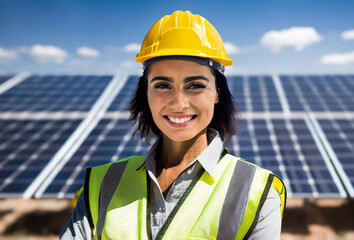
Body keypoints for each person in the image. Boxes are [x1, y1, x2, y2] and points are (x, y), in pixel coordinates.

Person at [60, 10, 286, 240]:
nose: (179, 103)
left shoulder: (257, 192)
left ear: (217, 93)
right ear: (146, 92)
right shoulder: (101, 185)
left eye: (195, 85)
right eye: (162, 85)